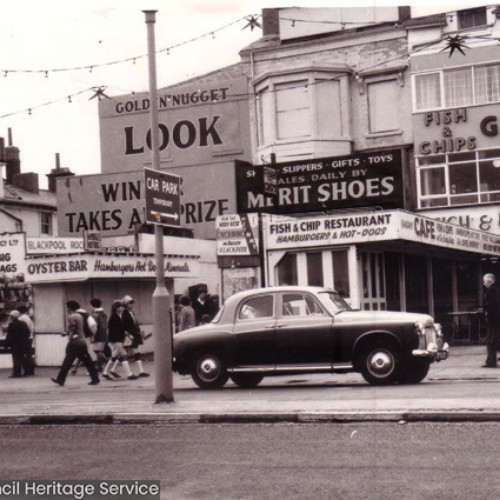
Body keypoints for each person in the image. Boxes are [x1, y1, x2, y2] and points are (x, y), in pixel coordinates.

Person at [51, 300, 99, 386]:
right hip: (82, 341)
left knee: (68, 361)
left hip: (75, 343)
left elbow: (73, 329)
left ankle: (60, 379)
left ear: (70, 308)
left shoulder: (71, 317)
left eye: (67, 307)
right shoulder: (80, 316)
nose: (66, 309)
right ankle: (95, 378)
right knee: (87, 361)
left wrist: (69, 337)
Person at [102, 300, 137, 381]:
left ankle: (105, 372)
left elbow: (120, 329)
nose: (122, 308)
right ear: (116, 308)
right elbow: (116, 329)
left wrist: (126, 334)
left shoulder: (117, 316)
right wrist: (127, 334)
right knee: (124, 355)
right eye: (120, 306)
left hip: (116, 339)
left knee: (114, 357)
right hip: (116, 340)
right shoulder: (114, 317)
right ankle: (129, 374)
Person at [121, 295, 149, 377]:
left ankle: (141, 371)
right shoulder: (124, 313)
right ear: (126, 304)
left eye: (132, 303)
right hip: (129, 335)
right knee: (123, 353)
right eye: (130, 303)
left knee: (135, 352)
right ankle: (111, 370)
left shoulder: (131, 312)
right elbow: (123, 325)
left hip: (134, 334)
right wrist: (128, 334)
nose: (132, 305)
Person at [5, 310, 30, 378]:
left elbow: (9, 335)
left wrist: (6, 345)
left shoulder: (11, 325)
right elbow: (27, 332)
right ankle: (26, 370)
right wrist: (24, 340)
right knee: (22, 357)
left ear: (12, 317)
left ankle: (17, 372)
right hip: (22, 343)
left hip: (15, 344)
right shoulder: (23, 323)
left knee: (15, 358)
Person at [482, 273, 500, 368]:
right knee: (492, 340)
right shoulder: (496, 290)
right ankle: (490, 360)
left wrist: (487, 314)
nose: (483, 283)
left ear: (489, 281)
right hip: (496, 319)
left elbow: (491, 307)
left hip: (493, 320)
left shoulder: (490, 292)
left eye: (484, 281)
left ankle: (491, 361)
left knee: (491, 340)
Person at [90, 298, 108, 372]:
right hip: (104, 333)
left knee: (97, 350)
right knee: (98, 350)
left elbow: (94, 326)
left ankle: (107, 361)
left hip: (98, 334)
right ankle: (100, 366)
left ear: (92, 305)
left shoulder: (94, 315)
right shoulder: (103, 313)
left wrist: (93, 336)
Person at [17, 305, 35, 376]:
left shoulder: (21, 318)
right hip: (30, 337)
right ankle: (31, 369)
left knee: (21, 354)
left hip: (24, 338)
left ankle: (27, 369)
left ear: (19, 312)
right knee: (28, 354)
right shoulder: (28, 318)